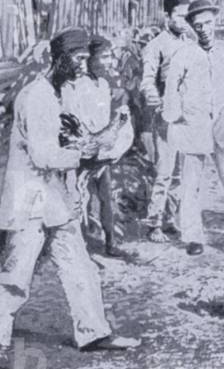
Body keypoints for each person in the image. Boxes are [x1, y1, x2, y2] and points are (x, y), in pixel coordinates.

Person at [0, 28, 140, 354]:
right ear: (58, 58)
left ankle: (93, 332)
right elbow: (43, 156)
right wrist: (84, 154)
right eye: (75, 59)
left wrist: (87, 143)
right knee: (17, 275)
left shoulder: (56, 94)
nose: (80, 65)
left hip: (54, 198)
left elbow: (63, 142)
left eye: (83, 59)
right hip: (29, 199)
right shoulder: (35, 97)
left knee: (80, 267)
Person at [162, 0, 224, 255]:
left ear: (215, 21)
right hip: (193, 124)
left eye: (208, 23)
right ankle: (193, 235)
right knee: (191, 182)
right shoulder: (183, 56)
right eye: (198, 25)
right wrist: (174, 119)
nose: (204, 29)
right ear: (192, 28)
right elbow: (171, 91)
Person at [61, 36, 134, 257]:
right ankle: (81, 249)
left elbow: (110, 116)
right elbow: (75, 120)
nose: (109, 61)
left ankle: (110, 241)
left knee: (106, 197)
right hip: (85, 152)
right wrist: (93, 141)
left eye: (110, 56)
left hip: (103, 151)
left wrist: (116, 125)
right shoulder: (76, 85)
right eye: (103, 56)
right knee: (80, 199)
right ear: (90, 59)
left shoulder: (103, 84)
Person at [140, 0, 192, 242]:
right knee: (164, 171)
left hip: (188, 116)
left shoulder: (190, 43)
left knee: (182, 173)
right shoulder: (156, 45)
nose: (185, 21)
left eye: (187, 17)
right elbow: (147, 81)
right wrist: (157, 101)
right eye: (180, 16)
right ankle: (154, 223)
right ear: (167, 16)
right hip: (165, 116)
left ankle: (171, 219)